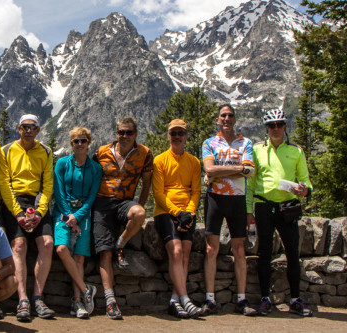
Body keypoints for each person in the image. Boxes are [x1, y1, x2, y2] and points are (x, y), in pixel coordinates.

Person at [246, 110, 313, 317]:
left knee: (292, 253)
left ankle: (295, 299)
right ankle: (265, 299)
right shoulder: (256, 150)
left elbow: (306, 180)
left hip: (287, 207)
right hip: (263, 206)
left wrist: (304, 190)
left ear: (285, 127)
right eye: (271, 125)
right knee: (264, 253)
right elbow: (250, 183)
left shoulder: (296, 151)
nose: (275, 129)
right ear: (266, 128)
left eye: (279, 125)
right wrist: (248, 210)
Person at [92, 116, 153, 319]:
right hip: (101, 203)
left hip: (124, 203)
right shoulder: (101, 152)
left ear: (135, 134)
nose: (124, 136)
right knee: (104, 253)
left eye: (128, 132)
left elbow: (146, 183)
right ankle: (111, 301)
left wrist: (140, 204)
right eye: (121, 132)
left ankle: (121, 244)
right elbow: (88, 177)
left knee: (140, 214)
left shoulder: (144, 154)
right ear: (116, 133)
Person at [201, 104, 257, 316]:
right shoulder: (209, 142)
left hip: (237, 199)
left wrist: (218, 173)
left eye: (230, 115)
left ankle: (241, 299)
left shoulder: (246, 142)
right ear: (218, 120)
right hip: (215, 199)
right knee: (210, 250)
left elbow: (249, 171)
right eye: (223, 115)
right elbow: (209, 169)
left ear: (235, 119)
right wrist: (238, 170)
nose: (226, 118)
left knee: (240, 250)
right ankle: (210, 298)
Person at [1, 114, 55, 322]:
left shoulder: (46, 152)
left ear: (38, 130)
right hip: (14, 203)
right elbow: (5, 184)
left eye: (32, 127)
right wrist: (17, 213)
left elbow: (47, 183)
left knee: (48, 243)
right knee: (19, 246)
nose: (29, 131)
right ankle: (22, 299)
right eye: (25, 127)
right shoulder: (6, 151)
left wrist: (40, 212)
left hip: (37, 202)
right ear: (19, 128)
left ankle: (37, 298)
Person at [152, 119, 201, 319]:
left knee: (186, 253)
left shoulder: (194, 162)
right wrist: (177, 213)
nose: (177, 137)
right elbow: (158, 193)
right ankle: (186, 298)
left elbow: (196, 191)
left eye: (181, 133)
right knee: (177, 250)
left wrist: (188, 212)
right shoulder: (160, 160)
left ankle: (175, 299)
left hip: (186, 212)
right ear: (169, 136)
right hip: (165, 211)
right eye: (174, 133)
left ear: (186, 136)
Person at [53, 127, 102, 318]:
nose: (80, 144)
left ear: (88, 142)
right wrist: (69, 218)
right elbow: (59, 193)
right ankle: (85, 289)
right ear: (71, 144)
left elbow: (91, 197)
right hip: (63, 213)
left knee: (79, 258)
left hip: (83, 215)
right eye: (76, 141)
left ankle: (77, 302)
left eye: (83, 140)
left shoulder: (96, 168)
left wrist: (78, 217)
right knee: (61, 249)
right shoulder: (62, 164)